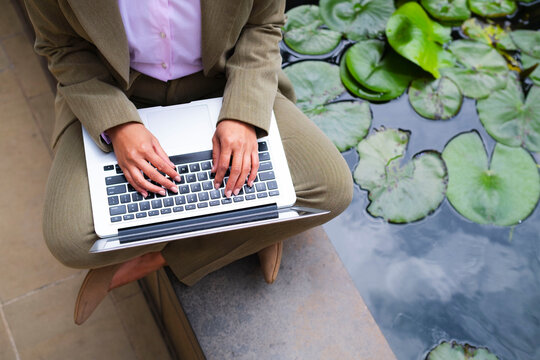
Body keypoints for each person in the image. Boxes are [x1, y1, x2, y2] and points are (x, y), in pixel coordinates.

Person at [24, 0, 353, 325]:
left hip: (224, 80)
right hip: (114, 87)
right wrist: (118, 124)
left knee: (331, 190)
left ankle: (156, 257)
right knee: (69, 242)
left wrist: (242, 113)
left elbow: (263, 25)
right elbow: (61, 46)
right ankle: (257, 226)